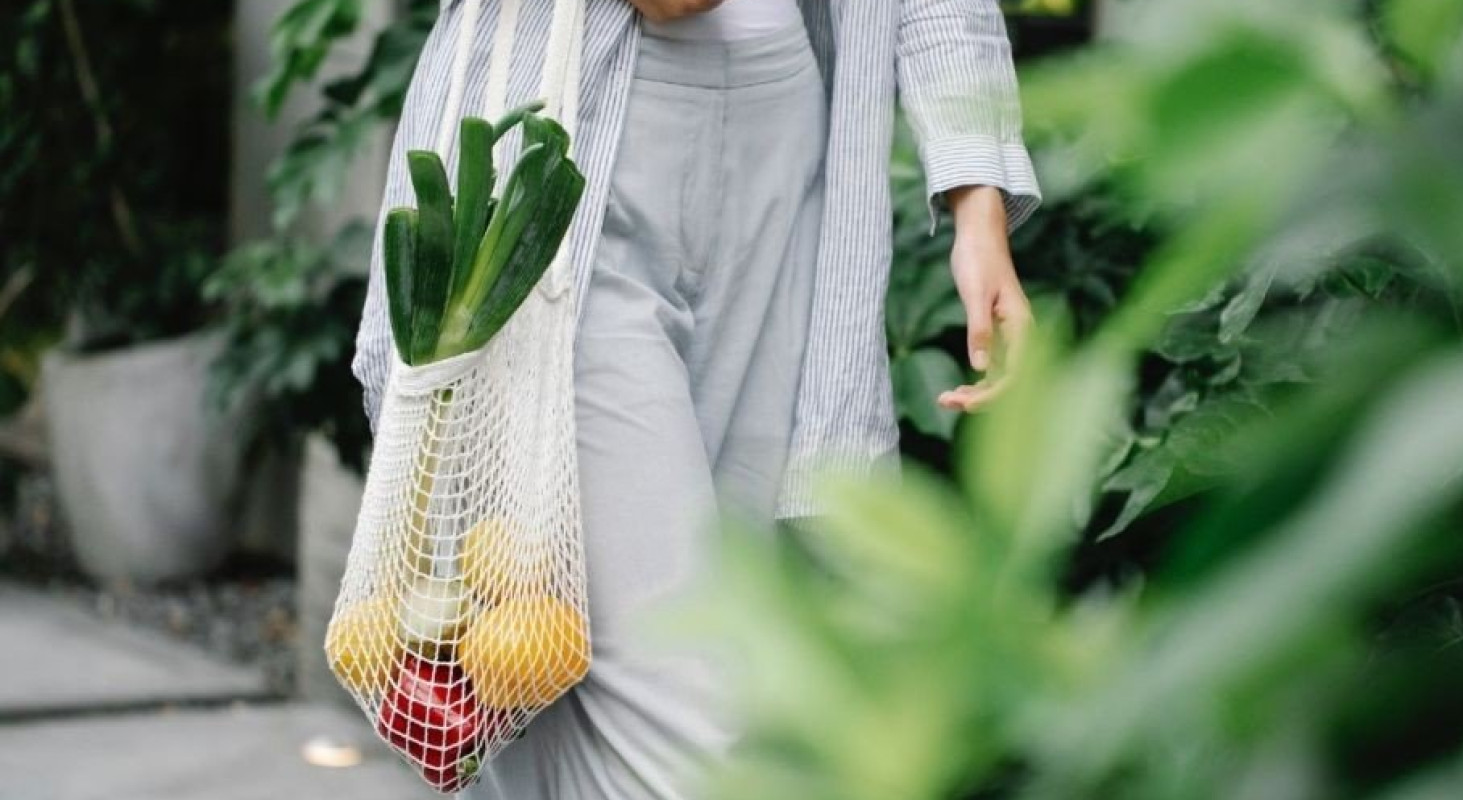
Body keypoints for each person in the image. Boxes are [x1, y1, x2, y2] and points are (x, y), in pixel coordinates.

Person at [351, 0, 1041, 796]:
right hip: (568, 164)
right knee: (684, 720)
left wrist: (977, 201)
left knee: (649, 663)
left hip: (786, 151)